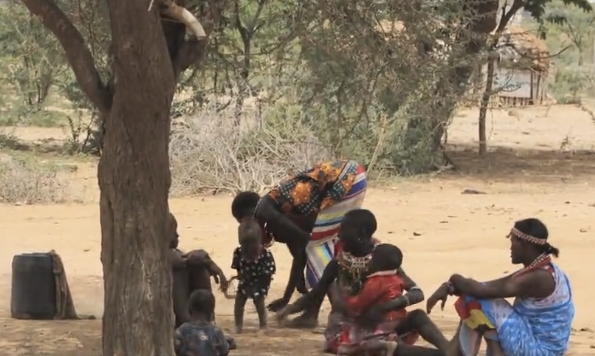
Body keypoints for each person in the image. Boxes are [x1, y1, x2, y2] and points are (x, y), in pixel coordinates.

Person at [279, 209, 448, 355]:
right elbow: (316, 294)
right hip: (348, 329)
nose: (339, 234)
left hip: (382, 323)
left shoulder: (382, 258)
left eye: (344, 229)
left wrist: (385, 307)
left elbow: (417, 292)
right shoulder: (339, 262)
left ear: (362, 232)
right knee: (380, 347)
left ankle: (449, 350)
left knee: (418, 316)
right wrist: (289, 309)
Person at [231, 160, 367, 328]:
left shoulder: (266, 210)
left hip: (347, 179)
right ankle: (313, 313)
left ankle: (336, 315)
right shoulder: (277, 212)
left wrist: (295, 295)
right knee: (319, 252)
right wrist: (286, 297)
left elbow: (304, 242)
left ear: (251, 217)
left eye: (245, 225)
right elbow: (300, 255)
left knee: (317, 250)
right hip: (352, 178)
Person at [422, 218, 573, 356]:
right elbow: (488, 287)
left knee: (477, 302)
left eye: (513, 241)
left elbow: (481, 291)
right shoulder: (540, 270)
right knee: (477, 300)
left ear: (526, 244)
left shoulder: (539, 277)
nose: (510, 248)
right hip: (534, 342)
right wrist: (451, 287)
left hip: (539, 350)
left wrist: (453, 279)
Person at [334, 244, 417, 355]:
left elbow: (357, 304)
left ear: (376, 262)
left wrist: (345, 297)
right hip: (398, 319)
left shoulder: (376, 282)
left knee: (351, 337)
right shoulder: (398, 277)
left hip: (381, 323)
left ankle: (377, 346)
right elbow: (416, 291)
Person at [167, 212, 228, 326]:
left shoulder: (177, 254)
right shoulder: (160, 254)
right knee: (181, 271)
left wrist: (208, 263)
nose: (177, 235)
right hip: (174, 314)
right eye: (173, 232)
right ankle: (189, 322)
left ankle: (205, 322)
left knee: (198, 267)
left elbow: (194, 257)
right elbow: (177, 260)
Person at [232, 219, 276, 333]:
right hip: (245, 279)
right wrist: (240, 275)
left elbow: (269, 271)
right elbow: (238, 266)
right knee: (239, 300)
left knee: (258, 300)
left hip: (260, 280)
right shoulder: (239, 252)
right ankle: (238, 325)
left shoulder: (265, 254)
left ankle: (263, 325)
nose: (248, 250)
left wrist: (263, 284)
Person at [174, 289, 230, 356]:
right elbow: (224, 351)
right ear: (212, 312)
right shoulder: (216, 332)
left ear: (189, 309)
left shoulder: (182, 331)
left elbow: (176, 349)